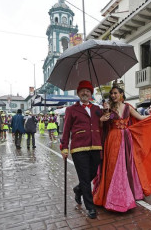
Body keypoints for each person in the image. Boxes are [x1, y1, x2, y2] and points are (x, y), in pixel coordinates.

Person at [93, 85, 151, 213]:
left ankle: (127, 193)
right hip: (112, 139)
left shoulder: (128, 107)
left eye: (115, 93)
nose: (113, 95)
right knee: (113, 166)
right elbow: (102, 125)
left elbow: (141, 118)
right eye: (112, 93)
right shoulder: (108, 108)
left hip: (126, 139)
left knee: (127, 165)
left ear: (121, 94)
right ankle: (113, 196)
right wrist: (103, 117)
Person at [60, 80, 102, 219]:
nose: (85, 93)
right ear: (78, 93)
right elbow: (66, 130)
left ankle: (78, 190)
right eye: (82, 91)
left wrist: (108, 111)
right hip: (79, 148)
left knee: (93, 174)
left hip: (96, 146)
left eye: (88, 91)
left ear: (91, 93)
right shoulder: (71, 109)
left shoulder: (97, 109)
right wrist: (64, 147)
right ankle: (90, 207)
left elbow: (109, 120)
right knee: (84, 178)